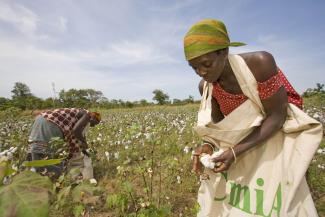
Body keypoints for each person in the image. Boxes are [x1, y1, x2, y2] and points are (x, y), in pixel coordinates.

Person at [184, 19, 322, 217]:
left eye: (206, 64)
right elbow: (222, 131)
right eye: (194, 68)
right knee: (257, 196)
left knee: (286, 191)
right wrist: (207, 148)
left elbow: (277, 116)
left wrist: (235, 151)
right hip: (248, 140)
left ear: (223, 52)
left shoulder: (260, 63)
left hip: (281, 130)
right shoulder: (206, 87)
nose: (201, 72)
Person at [27, 108, 101, 178]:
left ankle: (32, 175)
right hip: (51, 123)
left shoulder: (78, 113)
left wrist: (84, 148)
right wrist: (84, 143)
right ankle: (46, 178)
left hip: (40, 119)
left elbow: (79, 134)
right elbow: (76, 131)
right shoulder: (86, 115)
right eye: (95, 123)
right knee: (46, 154)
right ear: (93, 118)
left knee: (35, 149)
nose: (93, 126)